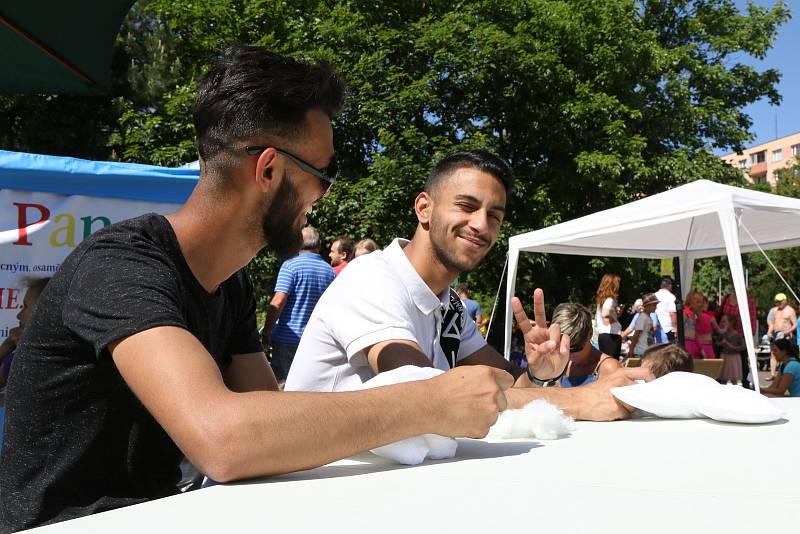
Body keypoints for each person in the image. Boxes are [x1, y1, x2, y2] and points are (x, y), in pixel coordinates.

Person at [0, 47, 514, 531]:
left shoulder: (230, 282)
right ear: (268, 169)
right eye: (324, 173)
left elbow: (267, 422)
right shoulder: (121, 266)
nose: (325, 194)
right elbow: (223, 438)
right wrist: (426, 402)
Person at [286, 149, 651, 419]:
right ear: (424, 208)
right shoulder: (372, 278)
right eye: (466, 206)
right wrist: (581, 399)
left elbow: (505, 391)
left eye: (494, 215)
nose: (481, 225)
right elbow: (426, 393)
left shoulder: (450, 307)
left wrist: (540, 374)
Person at [261, 225, 335, 382]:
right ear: (319, 244)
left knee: (282, 385)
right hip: (314, 340)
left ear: (297, 243)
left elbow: (278, 301)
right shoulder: (329, 271)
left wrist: (267, 331)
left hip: (286, 340)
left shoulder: (290, 266)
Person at [550, 302, 620, 387]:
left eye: (575, 348)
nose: (567, 354)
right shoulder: (564, 363)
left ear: (590, 334)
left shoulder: (609, 368)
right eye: (561, 346)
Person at [0, 277, 51, 389]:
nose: (18, 315)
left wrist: (9, 344)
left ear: (44, 311)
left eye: (26, 306)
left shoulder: (26, 358)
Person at [767, 293, 797, 381]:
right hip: (776, 335)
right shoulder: (774, 310)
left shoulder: (790, 310)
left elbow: (795, 324)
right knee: (773, 354)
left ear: (785, 301)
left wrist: (788, 331)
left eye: (780, 301)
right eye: (777, 301)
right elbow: (771, 324)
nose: (778, 303)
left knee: (785, 355)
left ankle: (784, 374)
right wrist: (769, 332)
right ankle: (772, 374)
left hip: (785, 335)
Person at [595, 273, 622, 358]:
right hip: (611, 336)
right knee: (612, 362)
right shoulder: (610, 300)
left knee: (605, 361)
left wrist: (616, 314)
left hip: (603, 335)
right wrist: (612, 321)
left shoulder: (602, 300)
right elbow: (605, 314)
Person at [629, 293, 660, 358]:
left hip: (647, 350)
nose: (656, 307)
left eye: (656, 305)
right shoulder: (642, 317)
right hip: (641, 351)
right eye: (654, 305)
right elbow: (636, 334)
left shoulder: (648, 317)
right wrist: (631, 350)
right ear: (647, 305)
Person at [717, 314, 744, 385]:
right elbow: (717, 343)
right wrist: (721, 343)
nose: (723, 324)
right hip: (725, 356)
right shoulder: (723, 334)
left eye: (725, 322)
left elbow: (742, 347)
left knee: (733, 379)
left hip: (733, 358)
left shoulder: (737, 335)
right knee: (723, 379)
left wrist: (732, 346)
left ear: (731, 323)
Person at [655, 277, 677, 342]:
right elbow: (672, 313)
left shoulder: (654, 295)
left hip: (657, 328)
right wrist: (675, 329)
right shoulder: (671, 297)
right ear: (670, 286)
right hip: (668, 329)